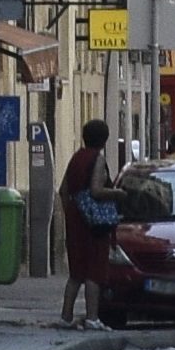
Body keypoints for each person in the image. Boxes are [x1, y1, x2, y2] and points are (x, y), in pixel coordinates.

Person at [56, 119, 122, 327]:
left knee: (76, 272)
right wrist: (118, 193)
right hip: (94, 222)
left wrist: (71, 211)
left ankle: (66, 317)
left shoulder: (76, 157)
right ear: (104, 140)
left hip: (76, 218)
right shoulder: (97, 159)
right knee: (94, 270)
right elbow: (96, 190)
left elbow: (63, 190)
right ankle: (92, 317)